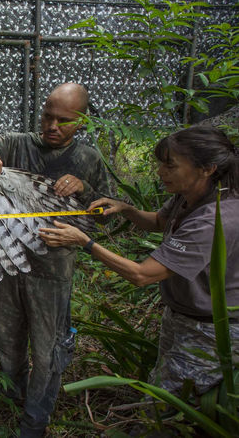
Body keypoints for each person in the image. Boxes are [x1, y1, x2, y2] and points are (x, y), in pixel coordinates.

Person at [0, 83, 113, 437]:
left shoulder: (88, 158)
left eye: (63, 120)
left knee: (47, 348)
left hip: (53, 270)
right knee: (7, 335)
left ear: (82, 123)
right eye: (47, 116)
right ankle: (13, 394)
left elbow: (109, 212)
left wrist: (85, 190)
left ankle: (35, 419)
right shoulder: (18, 143)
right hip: (10, 262)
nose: (52, 126)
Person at [39, 125, 239, 395]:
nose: (160, 172)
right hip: (181, 315)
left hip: (210, 330)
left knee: (169, 403)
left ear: (207, 168)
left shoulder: (213, 220)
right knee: (164, 385)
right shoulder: (191, 195)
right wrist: (127, 209)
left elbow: (142, 275)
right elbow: (159, 221)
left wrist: (83, 241)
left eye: (170, 165)